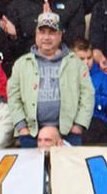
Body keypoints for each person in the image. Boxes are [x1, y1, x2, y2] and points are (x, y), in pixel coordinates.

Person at [7, 12, 93, 147]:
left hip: (68, 132)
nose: (46, 37)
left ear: (59, 36)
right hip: (31, 132)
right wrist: (22, 127)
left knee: (68, 168)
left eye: (51, 33)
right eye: (42, 32)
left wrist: (78, 126)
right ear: (36, 35)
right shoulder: (22, 64)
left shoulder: (76, 63)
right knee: (33, 169)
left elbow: (87, 96)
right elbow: (13, 97)